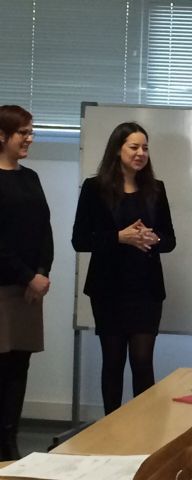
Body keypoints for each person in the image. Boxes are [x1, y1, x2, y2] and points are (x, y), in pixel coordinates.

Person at [72, 122, 176, 415]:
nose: (141, 153)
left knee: (142, 362)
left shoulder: (156, 189)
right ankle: (112, 428)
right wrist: (120, 237)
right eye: (134, 147)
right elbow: (80, 240)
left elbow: (169, 240)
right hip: (109, 289)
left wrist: (152, 239)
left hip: (146, 290)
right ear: (118, 150)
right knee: (113, 361)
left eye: (145, 148)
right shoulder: (94, 188)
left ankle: (144, 428)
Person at [0, 105, 53, 460]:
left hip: (30, 290)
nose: (29, 138)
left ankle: (9, 443)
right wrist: (27, 276)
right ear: (2, 135)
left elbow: (44, 230)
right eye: (23, 132)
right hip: (5, 287)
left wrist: (42, 273)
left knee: (20, 367)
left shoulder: (30, 177)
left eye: (31, 131)